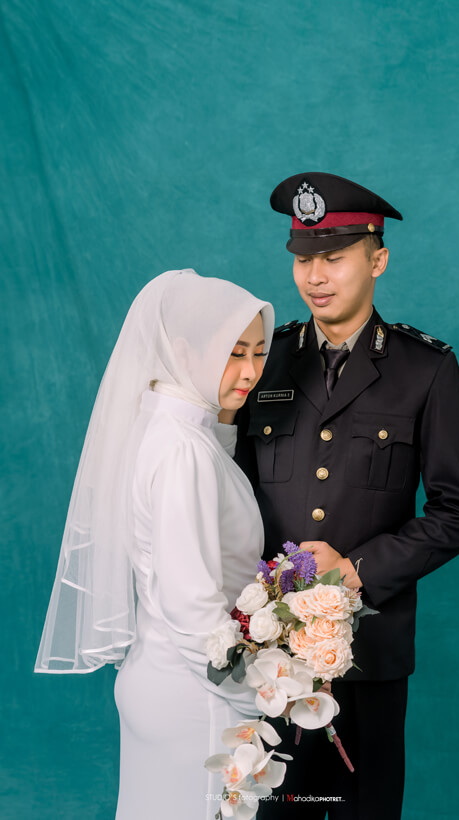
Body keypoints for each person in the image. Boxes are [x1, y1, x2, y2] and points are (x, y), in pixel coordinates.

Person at [236, 172, 459, 820]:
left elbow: (457, 512)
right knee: (275, 813)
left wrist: (355, 570)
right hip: (270, 660)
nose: (315, 276)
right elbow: (229, 495)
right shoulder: (264, 361)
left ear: (377, 260)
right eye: (303, 260)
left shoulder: (424, 368)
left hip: (370, 658)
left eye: (335, 258)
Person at [35, 269, 275, 820]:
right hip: (196, 696)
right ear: (185, 351)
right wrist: (267, 691)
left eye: (259, 354)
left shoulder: (161, 426)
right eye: (234, 353)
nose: (250, 372)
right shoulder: (183, 451)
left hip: (159, 680)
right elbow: (191, 610)